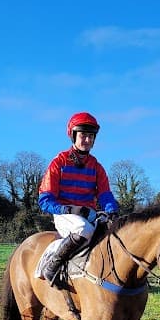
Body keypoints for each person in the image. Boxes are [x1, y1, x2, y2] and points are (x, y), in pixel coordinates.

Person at [38, 111, 119, 285]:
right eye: (83, 135)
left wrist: (112, 211)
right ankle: (52, 266)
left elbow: (105, 195)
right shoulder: (58, 163)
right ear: (73, 136)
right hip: (64, 214)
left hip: (88, 214)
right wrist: (67, 209)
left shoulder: (97, 167)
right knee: (83, 229)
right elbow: (45, 200)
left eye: (91, 136)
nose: (88, 140)